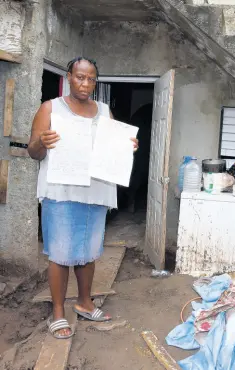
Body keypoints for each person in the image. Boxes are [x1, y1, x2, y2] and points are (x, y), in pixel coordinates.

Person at [28, 57, 138, 339]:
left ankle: (84, 302)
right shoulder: (51, 108)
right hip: (62, 192)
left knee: (89, 252)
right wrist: (42, 142)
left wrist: (127, 146)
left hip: (95, 192)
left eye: (91, 79)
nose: (85, 84)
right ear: (69, 76)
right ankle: (57, 313)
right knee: (60, 254)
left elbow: (114, 147)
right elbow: (33, 151)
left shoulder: (103, 110)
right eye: (80, 77)